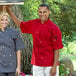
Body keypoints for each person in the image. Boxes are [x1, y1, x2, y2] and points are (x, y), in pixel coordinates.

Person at [7, 4, 63, 76]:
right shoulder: (34, 24)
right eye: (40, 12)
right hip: (37, 64)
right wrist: (9, 12)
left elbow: (57, 49)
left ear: (49, 12)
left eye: (44, 12)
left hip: (50, 65)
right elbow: (21, 25)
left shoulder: (54, 28)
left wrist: (54, 67)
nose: (42, 14)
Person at [0, 11, 24, 76]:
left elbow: (18, 50)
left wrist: (18, 67)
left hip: (12, 65)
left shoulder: (14, 32)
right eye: (2, 20)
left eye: (6, 20)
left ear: (8, 21)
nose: (4, 22)